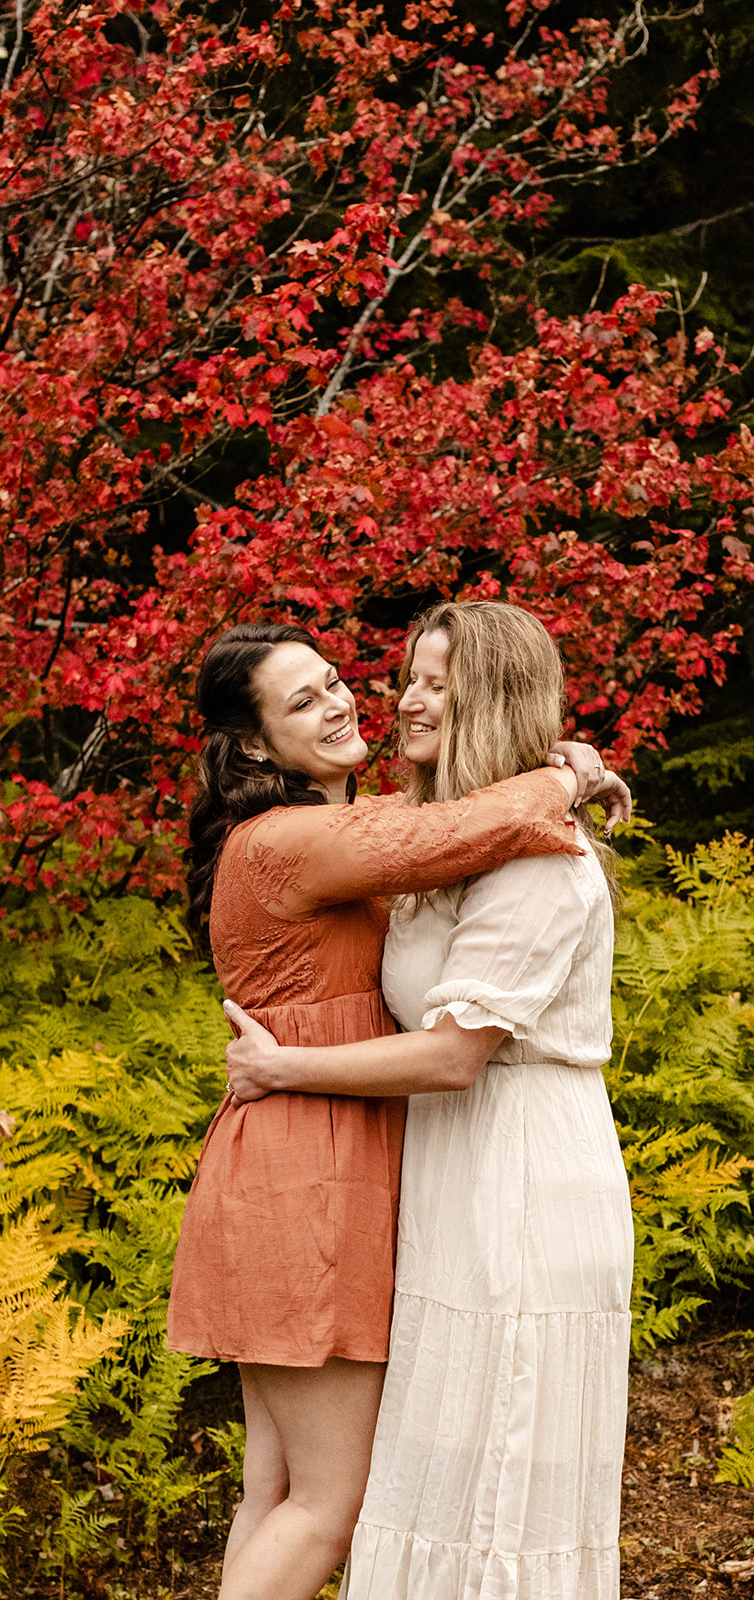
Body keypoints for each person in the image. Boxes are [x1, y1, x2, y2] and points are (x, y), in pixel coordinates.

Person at [167, 621, 630, 1600]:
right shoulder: (295, 840)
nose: (340, 703)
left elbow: (432, 822)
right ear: (251, 747)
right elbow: (444, 832)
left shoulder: (333, 833)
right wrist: (573, 773)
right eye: (302, 701)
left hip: (289, 1156)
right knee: (325, 1504)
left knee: (277, 1487)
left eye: (334, 681)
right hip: (307, 1170)